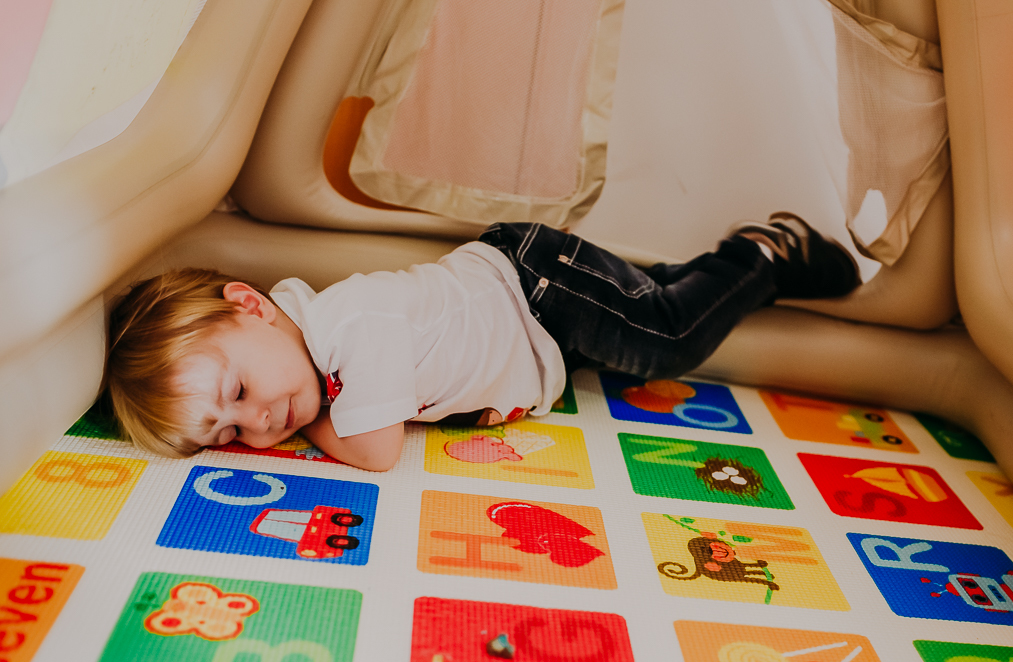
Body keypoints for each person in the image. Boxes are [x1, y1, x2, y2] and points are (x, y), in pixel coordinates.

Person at [103, 214, 860, 471]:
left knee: (660, 341)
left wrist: (317, 430)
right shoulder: (314, 355)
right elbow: (444, 374)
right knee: (643, 305)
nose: (260, 423)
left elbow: (377, 451)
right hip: (536, 330)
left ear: (251, 305)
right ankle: (704, 276)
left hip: (537, 286)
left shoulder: (350, 325)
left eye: (237, 395)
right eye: (228, 435)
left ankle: (758, 254)